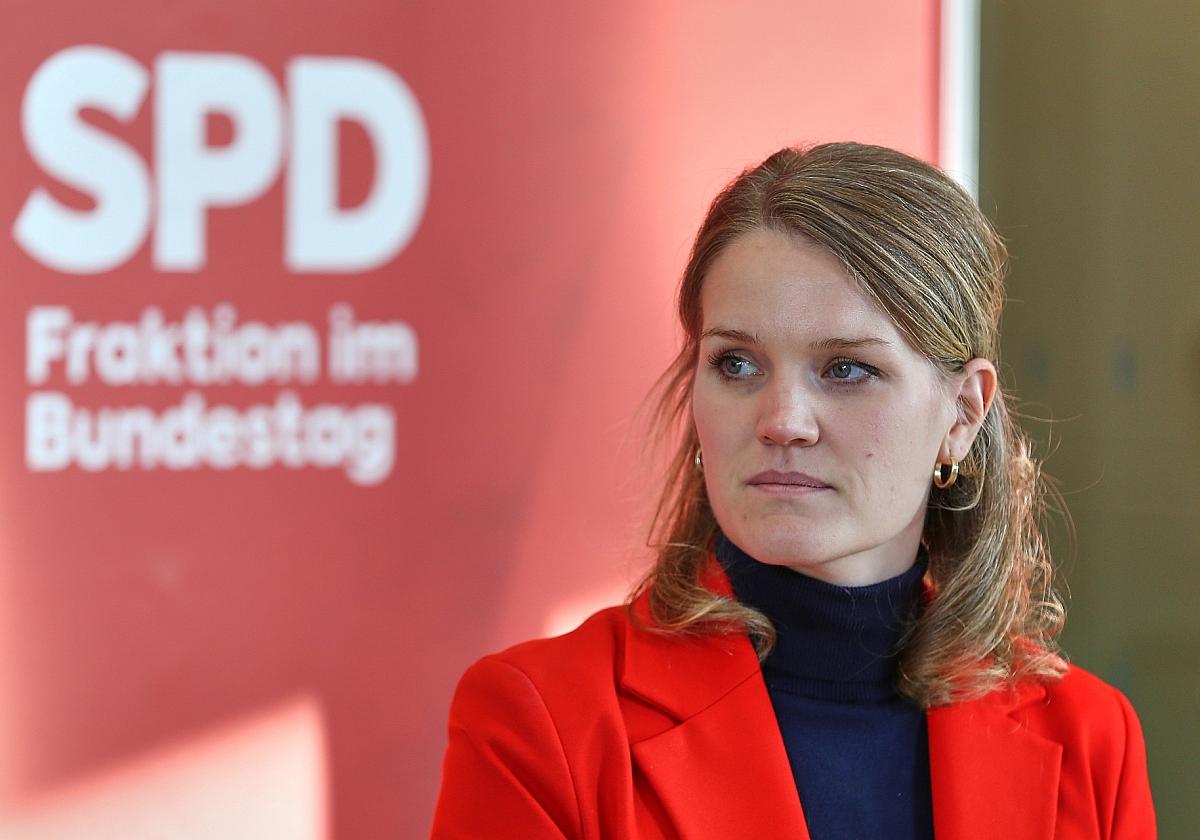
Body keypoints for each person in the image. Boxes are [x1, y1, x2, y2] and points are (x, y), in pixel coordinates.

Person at [430, 143, 1156, 839]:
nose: (782, 421)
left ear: (963, 414)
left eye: (847, 369)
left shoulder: (1090, 740)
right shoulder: (541, 721)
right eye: (737, 364)